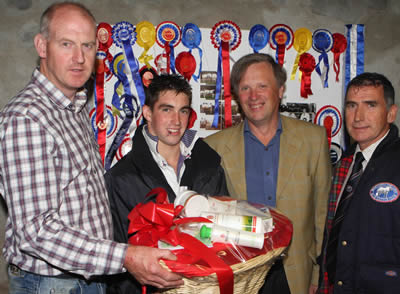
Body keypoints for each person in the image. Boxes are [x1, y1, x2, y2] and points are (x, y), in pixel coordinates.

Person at [0, 2, 183, 293]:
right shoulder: (27, 119)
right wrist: (126, 256)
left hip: (86, 277)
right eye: (66, 44)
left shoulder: (73, 107)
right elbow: (36, 232)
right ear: (42, 46)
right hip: (51, 284)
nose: (79, 57)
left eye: (87, 46)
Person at [205, 53, 332, 294]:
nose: (254, 96)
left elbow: (322, 214)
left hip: (296, 275)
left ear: (281, 90)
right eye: (245, 88)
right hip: (242, 274)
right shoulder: (214, 147)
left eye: (262, 86)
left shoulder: (313, 139)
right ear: (237, 96)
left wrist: (318, 274)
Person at [105, 73, 229, 293]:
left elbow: (225, 237)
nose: (176, 121)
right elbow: (117, 259)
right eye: (166, 109)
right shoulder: (121, 177)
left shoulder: (210, 164)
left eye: (183, 111)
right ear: (147, 113)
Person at [318, 73, 400, 294]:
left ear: (391, 113)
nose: (358, 116)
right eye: (352, 106)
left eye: (370, 105)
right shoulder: (345, 165)